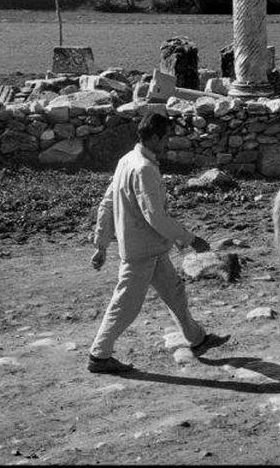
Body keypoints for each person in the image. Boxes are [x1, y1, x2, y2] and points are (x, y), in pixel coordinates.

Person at [88, 112, 212, 374]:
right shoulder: (143, 169)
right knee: (126, 305)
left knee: (175, 292)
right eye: (165, 138)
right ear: (154, 137)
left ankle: (196, 338)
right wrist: (190, 239)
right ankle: (99, 356)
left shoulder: (127, 160)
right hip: (142, 250)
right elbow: (155, 216)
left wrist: (101, 244)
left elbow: (107, 203)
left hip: (150, 248)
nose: (167, 143)